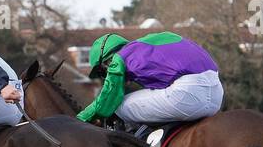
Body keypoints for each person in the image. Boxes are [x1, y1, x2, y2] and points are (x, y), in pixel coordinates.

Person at [76, 31, 224, 129]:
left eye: (103, 72)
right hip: (216, 96)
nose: (105, 76)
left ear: (107, 61)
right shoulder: (148, 45)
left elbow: (108, 100)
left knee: (117, 106)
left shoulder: (120, 57)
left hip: (187, 94)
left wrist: (80, 119)